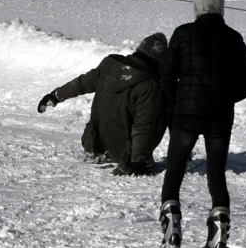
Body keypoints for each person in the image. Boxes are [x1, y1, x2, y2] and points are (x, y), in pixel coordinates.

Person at [153, 0, 246, 248]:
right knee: (216, 178)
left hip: (185, 116)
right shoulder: (234, 38)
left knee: (173, 175)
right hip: (219, 118)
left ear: (197, 4)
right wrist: (224, 97)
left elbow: (166, 74)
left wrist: (179, 101)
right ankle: (217, 245)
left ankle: (170, 244)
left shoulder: (183, 33)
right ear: (221, 4)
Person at [37, 32, 169, 174]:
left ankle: (99, 154)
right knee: (166, 103)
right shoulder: (150, 85)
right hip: (125, 153)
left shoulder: (110, 65)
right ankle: (136, 157)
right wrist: (137, 161)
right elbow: (143, 126)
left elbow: (82, 83)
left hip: (93, 143)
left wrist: (55, 95)